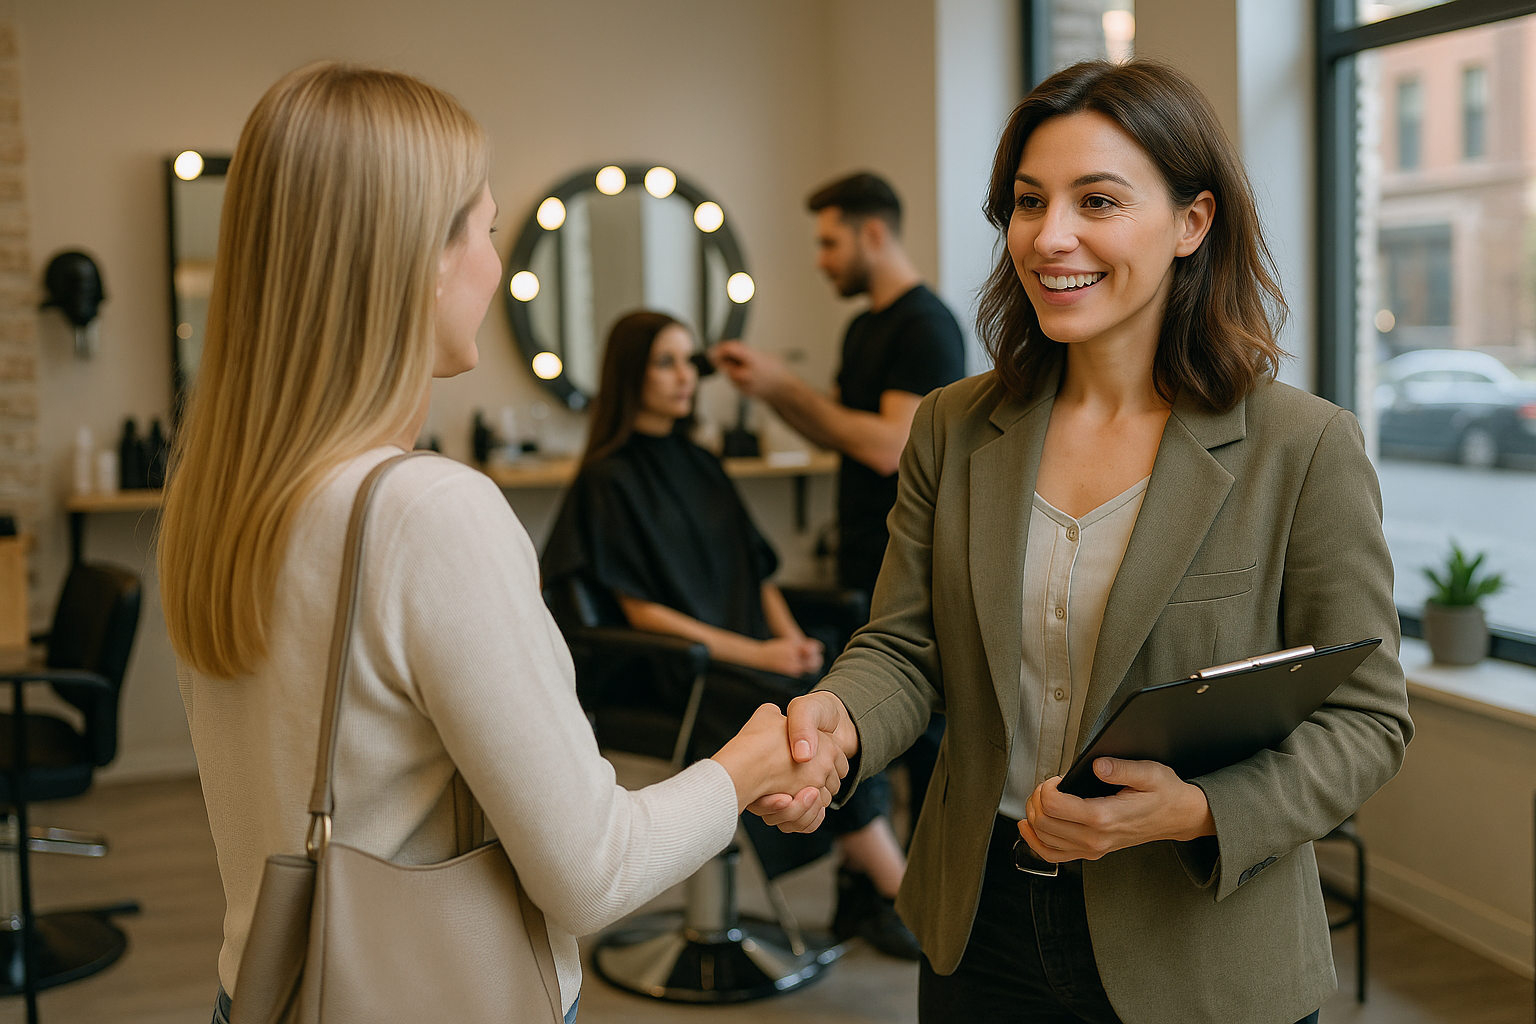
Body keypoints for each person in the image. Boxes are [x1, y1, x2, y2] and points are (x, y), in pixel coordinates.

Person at [156, 64, 842, 1024]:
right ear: (419, 260)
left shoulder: (218, 499)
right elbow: (592, 873)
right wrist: (752, 765)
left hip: (265, 992)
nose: (490, 261)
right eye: (483, 228)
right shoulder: (431, 514)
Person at [753, 59, 1413, 1024]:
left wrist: (1194, 811)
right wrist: (838, 722)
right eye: (1028, 201)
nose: (1050, 237)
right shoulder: (952, 428)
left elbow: (1368, 718)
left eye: (1097, 200)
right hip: (984, 927)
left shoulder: (1301, 447)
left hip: (1198, 941)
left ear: (1193, 222)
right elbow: (904, 646)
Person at [541, 309, 920, 959]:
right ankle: (900, 892)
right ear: (630, 373)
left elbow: (756, 571)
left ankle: (872, 885)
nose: (686, 376)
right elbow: (642, 614)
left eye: (691, 361)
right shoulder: (610, 478)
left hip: (737, 659)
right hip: (667, 673)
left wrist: (790, 637)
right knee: (787, 706)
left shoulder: (701, 462)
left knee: (826, 688)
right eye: (667, 361)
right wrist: (763, 653)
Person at [713, 171, 966, 826]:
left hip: (910, 560)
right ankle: (870, 886)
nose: (822, 261)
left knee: (923, 743)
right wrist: (773, 391)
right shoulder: (861, 331)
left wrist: (781, 386)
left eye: (830, 243)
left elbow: (889, 446)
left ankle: (916, 901)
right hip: (860, 554)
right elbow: (843, 434)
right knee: (869, 734)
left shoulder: (926, 326)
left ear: (873, 233)